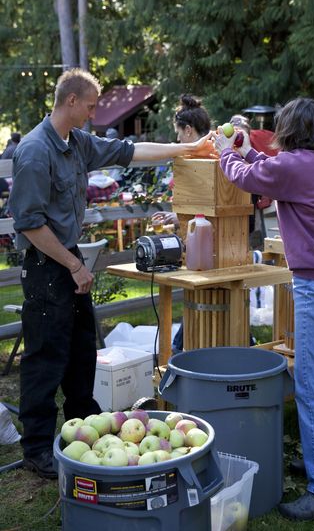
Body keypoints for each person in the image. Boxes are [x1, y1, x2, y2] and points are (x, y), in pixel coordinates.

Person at [7, 69, 211, 479]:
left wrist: (184, 150)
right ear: (71, 102)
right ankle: (36, 449)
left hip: (68, 260)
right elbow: (28, 224)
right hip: (48, 265)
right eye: (91, 105)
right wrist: (75, 265)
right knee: (45, 359)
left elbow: (129, 152)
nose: (95, 113)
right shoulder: (34, 151)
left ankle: (85, 428)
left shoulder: (77, 142)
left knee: (82, 349)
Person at [214, 97, 314, 522]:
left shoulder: (293, 166)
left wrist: (228, 154)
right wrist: (246, 149)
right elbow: (268, 170)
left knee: (312, 383)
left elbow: (248, 177)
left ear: (289, 128)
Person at [152, 94, 212, 353]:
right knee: (201, 303)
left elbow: (209, 207)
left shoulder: (201, 160)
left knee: (203, 302)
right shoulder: (214, 154)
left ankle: (180, 351)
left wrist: (181, 216)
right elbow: (203, 204)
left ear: (188, 130)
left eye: (178, 133)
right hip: (203, 243)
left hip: (206, 249)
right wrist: (177, 216)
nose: (177, 140)